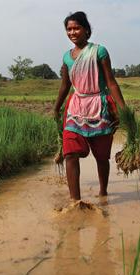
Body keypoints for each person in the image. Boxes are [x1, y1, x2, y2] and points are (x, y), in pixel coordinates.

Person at [53, 11, 126, 202]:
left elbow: (111, 82)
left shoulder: (99, 51)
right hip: (76, 107)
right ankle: (75, 202)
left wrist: (123, 109)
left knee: (101, 156)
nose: (72, 32)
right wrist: (56, 107)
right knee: (70, 153)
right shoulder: (67, 57)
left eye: (76, 28)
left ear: (86, 30)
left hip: (99, 106)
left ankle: (103, 194)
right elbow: (65, 85)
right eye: (69, 29)